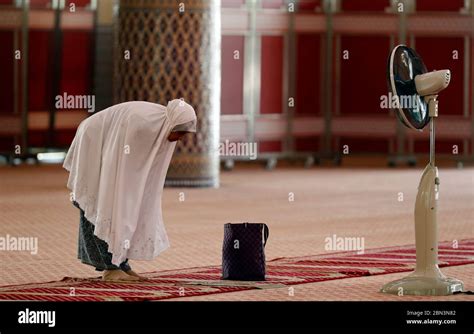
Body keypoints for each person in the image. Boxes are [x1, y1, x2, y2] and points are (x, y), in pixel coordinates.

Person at [63, 99, 197, 282]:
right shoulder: (142, 125)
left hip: (107, 147)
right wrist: (111, 190)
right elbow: (116, 160)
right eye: (180, 132)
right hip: (93, 140)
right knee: (103, 201)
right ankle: (110, 268)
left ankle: (121, 264)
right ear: (173, 124)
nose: (180, 138)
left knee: (123, 208)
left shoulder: (160, 127)